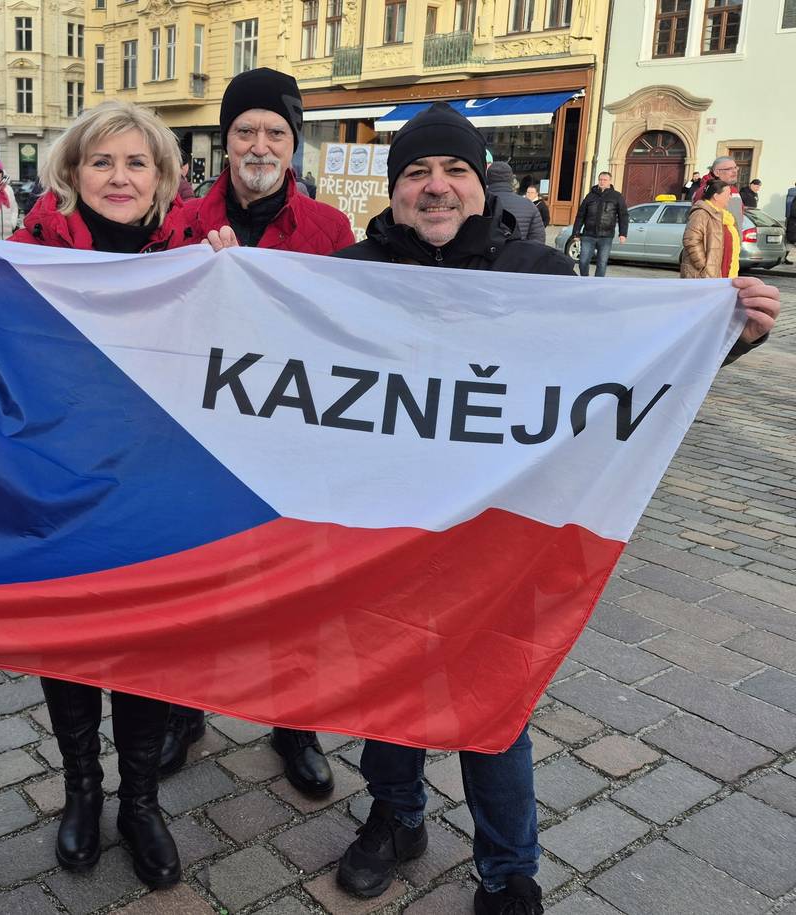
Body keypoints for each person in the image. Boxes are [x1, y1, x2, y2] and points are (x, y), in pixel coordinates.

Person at [330, 101, 780, 915]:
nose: (436, 187)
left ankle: (508, 869)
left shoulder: (539, 274)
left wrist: (726, 333)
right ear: (395, 190)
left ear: (480, 183)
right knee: (388, 687)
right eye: (417, 173)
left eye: (454, 171)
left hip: (502, 542)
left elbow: (625, 377)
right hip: (386, 532)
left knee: (492, 703)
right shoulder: (349, 270)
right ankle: (395, 818)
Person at [0, 100, 194, 889]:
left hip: (157, 493)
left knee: (146, 650)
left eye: (137, 162)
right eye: (102, 161)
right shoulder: (25, 253)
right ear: (71, 174)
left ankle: (139, 800)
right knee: (69, 643)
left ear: (163, 177)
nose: (120, 177)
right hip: (54, 491)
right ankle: (81, 790)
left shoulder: (199, 255)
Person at [164, 67, 355, 797]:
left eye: (275, 131)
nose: (259, 143)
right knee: (190, 582)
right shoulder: (178, 219)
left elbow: (348, 332)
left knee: (294, 590)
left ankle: (295, 723)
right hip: (196, 437)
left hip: (291, 440)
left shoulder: (328, 229)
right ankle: (182, 711)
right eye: (245, 129)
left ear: (293, 143)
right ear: (226, 137)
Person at [571, 171, 628, 277]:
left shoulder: (616, 196)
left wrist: (623, 233)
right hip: (588, 234)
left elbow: (623, 215)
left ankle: (597, 284)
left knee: (601, 264)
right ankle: (585, 280)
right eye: (600, 179)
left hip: (606, 236)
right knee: (583, 261)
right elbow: (580, 215)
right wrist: (576, 232)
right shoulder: (590, 196)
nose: (602, 182)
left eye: (604, 180)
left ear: (610, 181)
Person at [681, 179, 740, 279]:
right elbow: (691, 241)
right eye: (728, 194)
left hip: (722, 272)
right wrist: (704, 266)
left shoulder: (726, 216)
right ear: (716, 196)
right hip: (703, 275)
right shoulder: (701, 213)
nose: (730, 197)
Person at [486, 161, 544, 242]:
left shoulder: (476, 203)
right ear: (511, 179)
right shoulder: (529, 205)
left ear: (487, 179)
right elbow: (538, 241)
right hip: (520, 253)